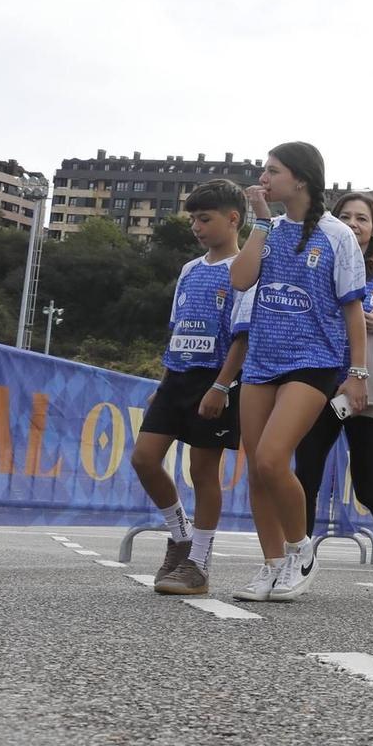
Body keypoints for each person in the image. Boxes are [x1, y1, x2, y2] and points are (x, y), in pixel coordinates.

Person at [229, 143, 369, 602]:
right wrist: (260, 220)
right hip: (262, 360)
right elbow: (240, 279)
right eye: (262, 170)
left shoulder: (337, 235)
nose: (263, 177)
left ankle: (300, 548)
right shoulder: (267, 228)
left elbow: (353, 310)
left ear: (302, 179)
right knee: (257, 468)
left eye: (273, 170)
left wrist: (358, 373)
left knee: (272, 457)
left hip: (315, 361)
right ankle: (271, 565)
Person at [292, 191, 373, 597]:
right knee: (306, 474)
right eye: (344, 216)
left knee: (366, 486)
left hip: (370, 388)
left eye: (361, 218)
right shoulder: (320, 261)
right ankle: (299, 559)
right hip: (322, 380)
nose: (352, 224)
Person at [137, 179, 254, 597]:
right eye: (193, 220)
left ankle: (199, 562)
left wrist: (221, 386)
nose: (197, 227)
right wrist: (164, 381)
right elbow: (176, 331)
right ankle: (180, 533)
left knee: (202, 471)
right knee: (144, 459)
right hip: (176, 378)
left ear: (233, 219)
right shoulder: (189, 269)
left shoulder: (243, 271)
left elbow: (240, 337)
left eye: (205, 219)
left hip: (215, 380)